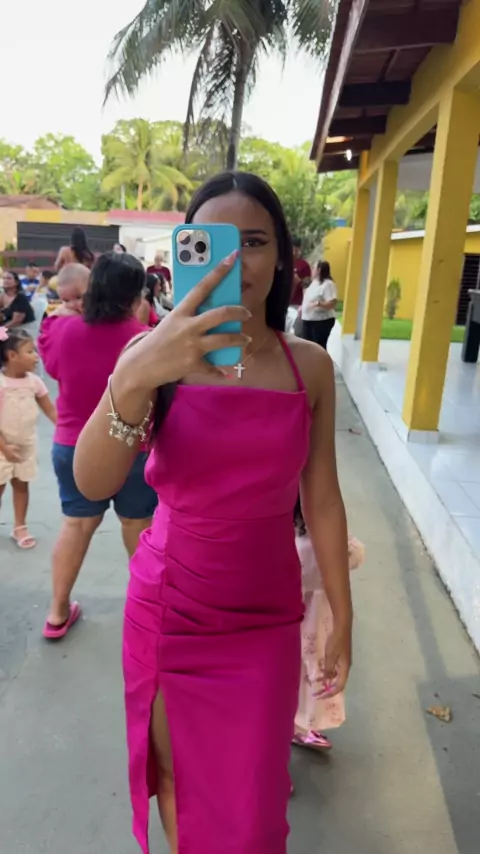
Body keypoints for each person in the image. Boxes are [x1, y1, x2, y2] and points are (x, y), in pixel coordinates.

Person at [73, 171, 353, 854]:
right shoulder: (150, 357)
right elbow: (92, 480)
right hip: (172, 608)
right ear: (186, 252)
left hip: (265, 615)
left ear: (283, 257)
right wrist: (137, 372)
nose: (236, 261)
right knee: (179, 779)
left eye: (253, 241)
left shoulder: (309, 367)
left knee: (253, 801)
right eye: (214, 242)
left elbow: (322, 497)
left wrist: (342, 614)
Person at [38, 252, 157, 641]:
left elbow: (51, 365)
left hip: (72, 446)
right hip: (132, 446)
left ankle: (57, 612)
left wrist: (59, 317)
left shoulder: (61, 330)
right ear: (136, 295)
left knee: (76, 525)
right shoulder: (144, 340)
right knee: (138, 526)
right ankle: (148, 611)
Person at [292, 496, 364, 752]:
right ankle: (299, 729)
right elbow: (356, 555)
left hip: (289, 625)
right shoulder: (318, 545)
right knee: (308, 680)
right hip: (315, 628)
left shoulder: (288, 542)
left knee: (287, 682)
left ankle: (292, 728)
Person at [0, 327, 56, 548]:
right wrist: (4, 448)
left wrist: (66, 431)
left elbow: (50, 410)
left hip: (26, 445)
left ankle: (20, 526)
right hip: (1, 446)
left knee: (22, 485)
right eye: (30, 351)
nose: (36, 357)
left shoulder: (34, 382)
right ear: (12, 356)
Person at [301, 261, 338, 350]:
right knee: (308, 347)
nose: (311, 270)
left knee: (318, 347)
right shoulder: (314, 282)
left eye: (313, 268)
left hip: (321, 321)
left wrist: (318, 304)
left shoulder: (327, 284)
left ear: (319, 270)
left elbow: (332, 303)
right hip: (308, 319)